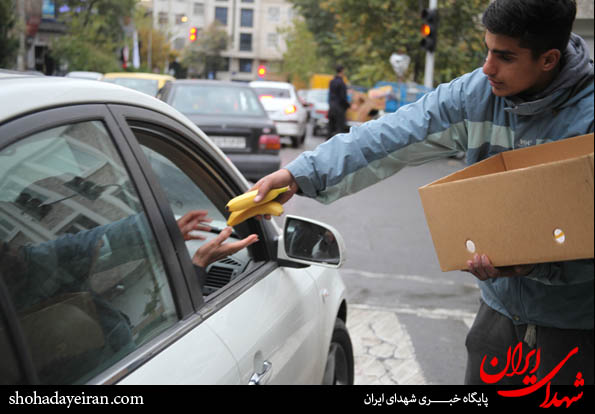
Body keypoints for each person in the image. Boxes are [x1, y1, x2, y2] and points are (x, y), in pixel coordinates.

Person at [250, 0, 593, 385]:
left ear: (548, 59)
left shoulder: (588, 119)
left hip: (576, 330)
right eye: (487, 50)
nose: (487, 67)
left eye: (505, 56)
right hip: (499, 319)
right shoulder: (476, 94)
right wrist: (300, 174)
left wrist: (537, 266)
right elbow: (392, 135)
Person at [327, 65, 350, 139]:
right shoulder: (342, 83)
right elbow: (342, 97)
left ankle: (328, 145)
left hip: (331, 108)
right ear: (342, 71)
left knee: (330, 128)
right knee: (339, 130)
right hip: (339, 109)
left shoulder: (331, 82)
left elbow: (331, 95)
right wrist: (348, 105)